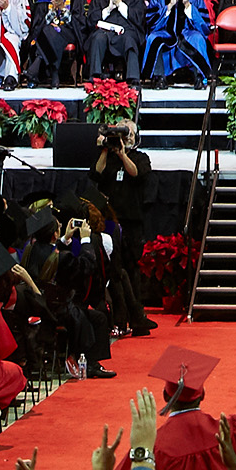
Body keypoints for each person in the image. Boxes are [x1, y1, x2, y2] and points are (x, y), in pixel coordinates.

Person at [90, 123, 156, 335]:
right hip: (109, 220)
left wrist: (122, 154)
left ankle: (137, 314)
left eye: (127, 134)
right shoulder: (106, 157)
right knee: (114, 269)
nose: (123, 138)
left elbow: (136, 174)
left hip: (131, 220)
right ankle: (122, 318)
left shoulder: (140, 157)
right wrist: (104, 150)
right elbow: (96, 174)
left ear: (134, 137)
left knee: (131, 268)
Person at [143, 0, 212, 87]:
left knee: (197, 38)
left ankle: (199, 76)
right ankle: (159, 78)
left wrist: (187, 5)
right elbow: (151, 21)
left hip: (187, 31)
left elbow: (203, 22)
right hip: (165, 31)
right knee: (153, 38)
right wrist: (169, 6)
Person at [86, 0, 147, 81]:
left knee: (129, 39)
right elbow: (91, 20)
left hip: (126, 31)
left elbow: (139, 18)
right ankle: (95, 76)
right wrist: (108, 9)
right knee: (98, 37)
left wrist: (119, 3)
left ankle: (133, 78)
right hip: (105, 32)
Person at [30, 0, 85, 88]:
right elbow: (40, 22)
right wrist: (53, 10)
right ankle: (55, 72)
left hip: (68, 32)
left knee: (48, 31)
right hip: (49, 33)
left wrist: (63, 9)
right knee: (49, 30)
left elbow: (77, 22)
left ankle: (39, 61)